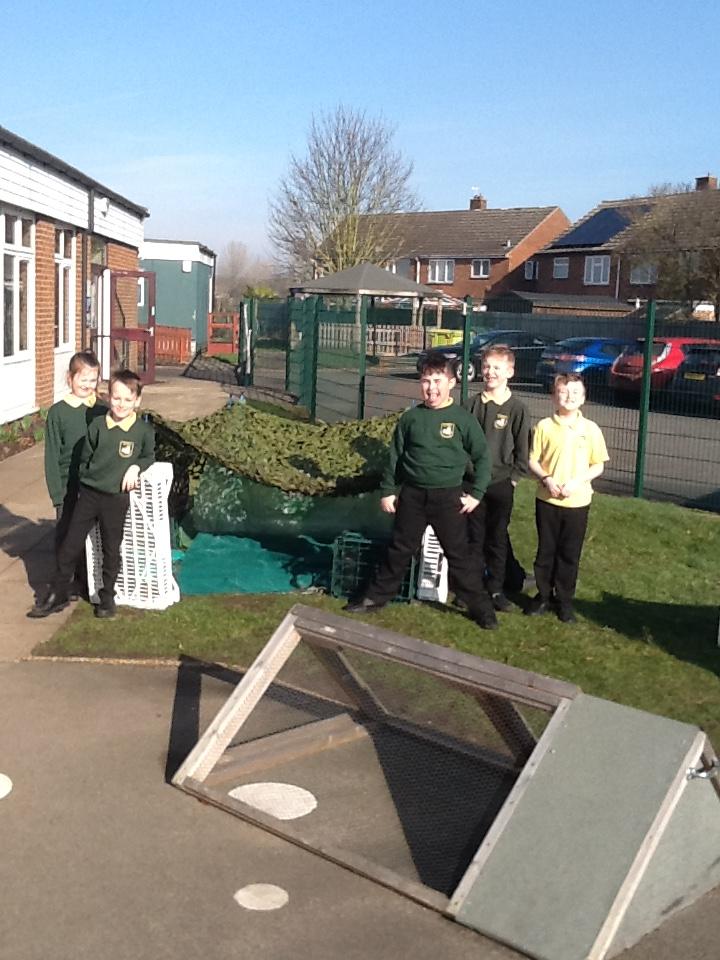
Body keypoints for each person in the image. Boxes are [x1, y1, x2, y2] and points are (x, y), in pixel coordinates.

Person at [344, 354, 498, 629]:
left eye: (437, 381)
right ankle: (375, 598)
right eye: (426, 381)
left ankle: (482, 609)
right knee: (399, 549)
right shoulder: (411, 419)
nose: (431, 388)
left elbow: (483, 458)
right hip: (413, 496)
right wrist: (388, 491)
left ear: (451, 383)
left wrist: (476, 493)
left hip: (448, 498)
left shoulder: (462, 419)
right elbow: (396, 458)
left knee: (459, 556)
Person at [28, 369, 155, 621]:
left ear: (137, 400)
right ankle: (58, 594)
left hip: (115, 499)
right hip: (89, 496)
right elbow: (85, 459)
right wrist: (88, 482)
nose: (121, 404)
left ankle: (107, 598)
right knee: (69, 545)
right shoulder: (97, 426)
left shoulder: (142, 431)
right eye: (116, 398)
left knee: (111, 549)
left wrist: (135, 467)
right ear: (108, 397)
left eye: (127, 399)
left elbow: (148, 455)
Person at [525, 373, 608, 623]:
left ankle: (564, 601)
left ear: (583, 398)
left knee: (569, 553)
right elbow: (532, 460)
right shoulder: (543, 427)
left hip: (577, 502)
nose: (569, 397)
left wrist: (577, 482)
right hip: (547, 500)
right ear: (554, 396)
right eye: (563, 391)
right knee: (546, 550)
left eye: (575, 392)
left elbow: (598, 465)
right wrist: (547, 479)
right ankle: (543, 596)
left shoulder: (591, 430)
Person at [465, 345, 531, 612]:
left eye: (496, 368)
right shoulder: (471, 405)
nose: (490, 372)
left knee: (497, 538)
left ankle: (495, 589)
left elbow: (523, 450)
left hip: (501, 483)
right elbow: (462, 444)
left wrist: (513, 478)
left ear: (510, 372)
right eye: (486, 366)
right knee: (474, 537)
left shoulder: (517, 408)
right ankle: (472, 589)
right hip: (472, 485)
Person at [43, 351, 107, 590]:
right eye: (83, 379)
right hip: (67, 485)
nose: (88, 385)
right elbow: (52, 455)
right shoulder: (57, 412)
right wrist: (56, 493)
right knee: (66, 533)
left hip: (94, 484)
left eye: (93, 380)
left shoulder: (102, 410)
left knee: (91, 533)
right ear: (70, 378)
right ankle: (64, 583)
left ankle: (87, 578)